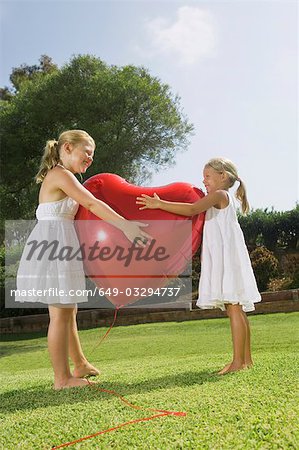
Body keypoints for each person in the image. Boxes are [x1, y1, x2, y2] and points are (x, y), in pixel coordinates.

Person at [16, 129, 149, 389]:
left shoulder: (65, 176)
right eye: (86, 152)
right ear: (67, 148)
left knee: (69, 309)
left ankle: (79, 363)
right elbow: (91, 204)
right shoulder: (60, 175)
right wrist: (126, 226)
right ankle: (61, 379)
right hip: (53, 245)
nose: (90, 160)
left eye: (92, 156)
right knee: (59, 314)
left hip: (61, 243)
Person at [136, 157, 261, 375]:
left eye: (208, 177)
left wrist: (159, 204)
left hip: (227, 258)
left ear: (223, 176)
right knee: (237, 309)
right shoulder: (223, 197)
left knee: (233, 309)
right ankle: (246, 360)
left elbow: (192, 209)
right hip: (228, 256)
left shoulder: (220, 195)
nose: (204, 181)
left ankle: (238, 362)